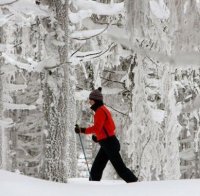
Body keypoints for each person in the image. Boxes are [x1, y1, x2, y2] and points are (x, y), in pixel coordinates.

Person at [75, 87, 138, 183]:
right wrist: (99, 137)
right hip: (108, 143)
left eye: (90, 100)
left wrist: (81, 130)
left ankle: (136, 184)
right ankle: (93, 189)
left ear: (95, 100)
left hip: (109, 144)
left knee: (120, 169)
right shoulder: (103, 109)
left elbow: (97, 128)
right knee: (96, 169)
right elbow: (110, 127)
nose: (89, 102)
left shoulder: (100, 111)